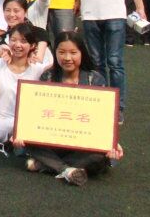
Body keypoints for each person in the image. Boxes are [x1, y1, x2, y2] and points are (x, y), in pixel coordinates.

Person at [23, 31, 124, 186]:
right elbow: (37, 114)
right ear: (55, 53)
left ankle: (47, 165)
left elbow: (103, 117)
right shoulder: (47, 77)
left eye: (73, 52)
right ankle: (68, 170)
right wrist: (23, 133)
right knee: (29, 142)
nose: (67, 58)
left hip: (83, 142)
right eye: (62, 52)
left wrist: (112, 141)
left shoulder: (94, 79)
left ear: (82, 53)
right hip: (53, 140)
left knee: (99, 156)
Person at [0, 23, 48, 145]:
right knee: (9, 127)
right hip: (1, 121)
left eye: (23, 41)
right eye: (13, 40)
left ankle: (20, 138)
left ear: (32, 45)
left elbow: (55, 65)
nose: (17, 45)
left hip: (26, 120)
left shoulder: (37, 69)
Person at [0, 0, 50, 66]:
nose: (11, 14)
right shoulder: (3, 38)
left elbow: (38, 60)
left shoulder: (38, 32)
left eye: (16, 11)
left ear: (25, 12)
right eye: (8, 10)